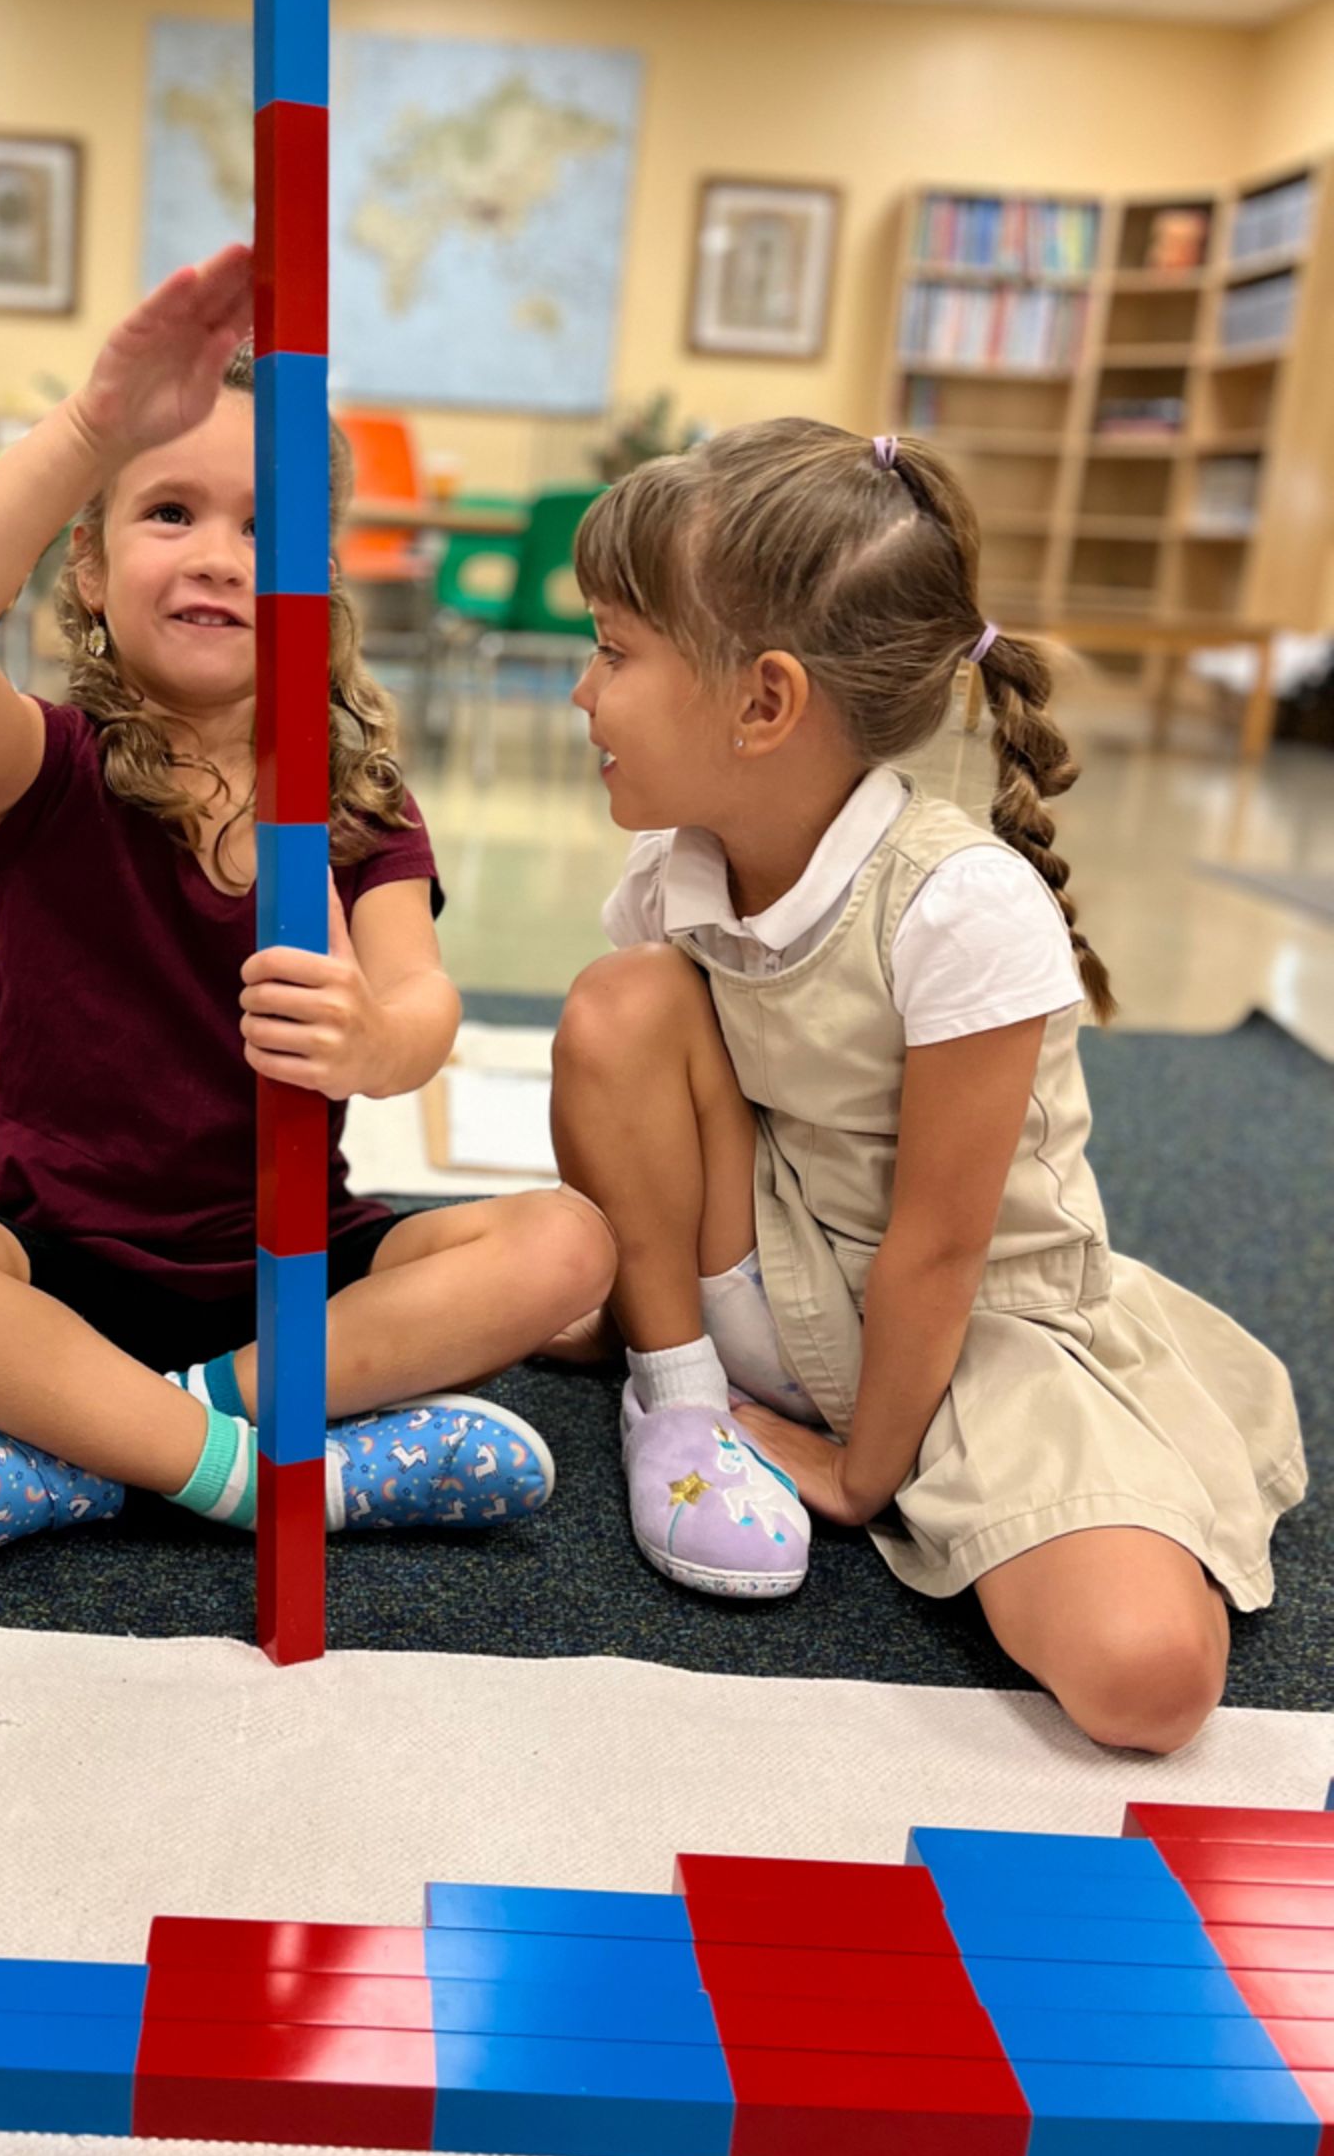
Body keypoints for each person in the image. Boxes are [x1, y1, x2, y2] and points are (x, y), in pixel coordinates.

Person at [0, 244, 613, 1552]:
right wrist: (92, 426)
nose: (221, 556)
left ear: (319, 579)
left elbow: (421, 1005)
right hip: (60, 1271)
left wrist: (370, 1037)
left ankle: (117, 1441)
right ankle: (260, 1471)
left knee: (569, 1247)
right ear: (91, 564)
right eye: (169, 512)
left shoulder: (359, 800)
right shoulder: (49, 769)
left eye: (265, 527)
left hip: (294, 1277)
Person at [549, 418, 1304, 1753]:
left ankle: (824, 1430)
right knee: (622, 1004)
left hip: (971, 1328)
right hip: (769, 1272)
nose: (581, 692)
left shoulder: (962, 906)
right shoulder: (676, 868)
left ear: (765, 703)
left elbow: (945, 1248)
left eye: (614, 653)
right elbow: (653, 1092)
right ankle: (677, 1399)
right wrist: (693, 1362)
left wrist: (858, 1472)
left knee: (1149, 1680)